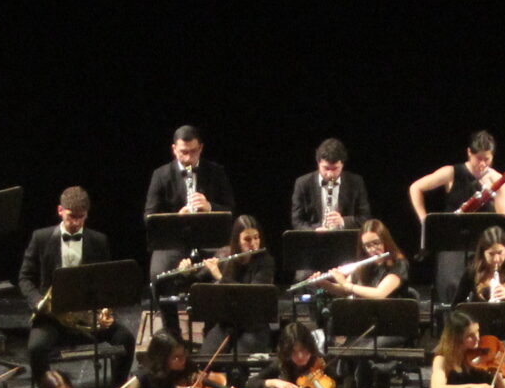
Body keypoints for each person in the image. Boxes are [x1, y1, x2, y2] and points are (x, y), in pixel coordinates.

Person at [19, 185, 137, 387]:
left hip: (88, 314)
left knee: (126, 339)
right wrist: (38, 302)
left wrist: (107, 311)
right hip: (53, 318)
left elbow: (107, 281)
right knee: (36, 348)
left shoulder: (99, 241)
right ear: (60, 211)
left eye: (80, 217)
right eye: (71, 216)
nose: (75, 222)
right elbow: (25, 278)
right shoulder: (41, 238)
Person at [408, 131, 505, 304]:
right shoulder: (451, 172)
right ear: (469, 153)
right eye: (478, 158)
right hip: (452, 243)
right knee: (451, 287)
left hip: (483, 245)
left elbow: (504, 219)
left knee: (484, 289)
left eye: (487, 159)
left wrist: (492, 195)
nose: (482, 163)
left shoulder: (497, 180)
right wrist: (424, 220)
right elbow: (415, 188)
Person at [142, 125, 238, 277]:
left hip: (209, 240)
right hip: (173, 243)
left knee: (229, 261)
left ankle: (204, 291)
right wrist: (176, 218)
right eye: (183, 152)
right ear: (174, 149)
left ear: (201, 148)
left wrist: (210, 207)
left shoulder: (216, 172)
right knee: (158, 273)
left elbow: (231, 210)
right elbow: (149, 217)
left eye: (193, 152)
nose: (188, 158)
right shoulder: (160, 175)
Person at [185, 214, 279, 362]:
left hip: (253, 326)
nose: (254, 244)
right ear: (237, 241)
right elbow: (196, 283)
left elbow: (250, 295)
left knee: (238, 364)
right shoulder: (225, 254)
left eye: (256, 238)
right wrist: (187, 272)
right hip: (226, 324)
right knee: (204, 362)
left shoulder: (266, 262)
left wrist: (219, 276)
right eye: (247, 239)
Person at [288, 138, 371, 233]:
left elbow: (365, 218)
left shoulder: (356, 182)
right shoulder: (302, 183)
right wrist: (314, 231)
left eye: (335, 168)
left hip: (345, 240)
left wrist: (343, 221)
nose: (330, 174)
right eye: (326, 168)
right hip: (314, 241)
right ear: (318, 163)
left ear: (342, 164)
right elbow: (297, 221)